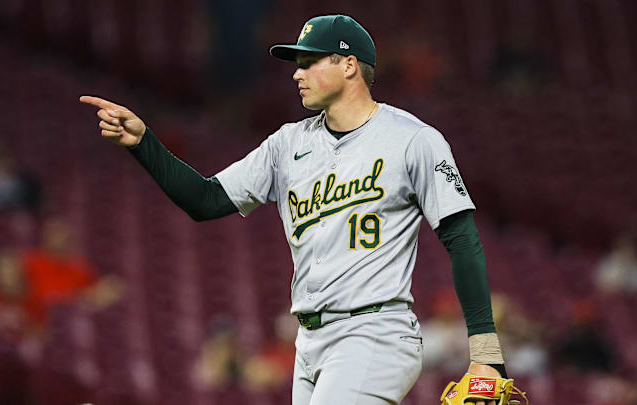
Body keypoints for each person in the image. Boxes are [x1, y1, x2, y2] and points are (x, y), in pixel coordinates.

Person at [81, 14, 509, 405]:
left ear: (348, 65)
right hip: (309, 342)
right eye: (296, 64)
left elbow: (461, 237)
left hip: (374, 333)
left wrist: (486, 352)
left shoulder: (413, 140)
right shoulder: (288, 144)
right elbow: (205, 200)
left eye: (309, 62)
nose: (297, 73)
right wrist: (143, 144)